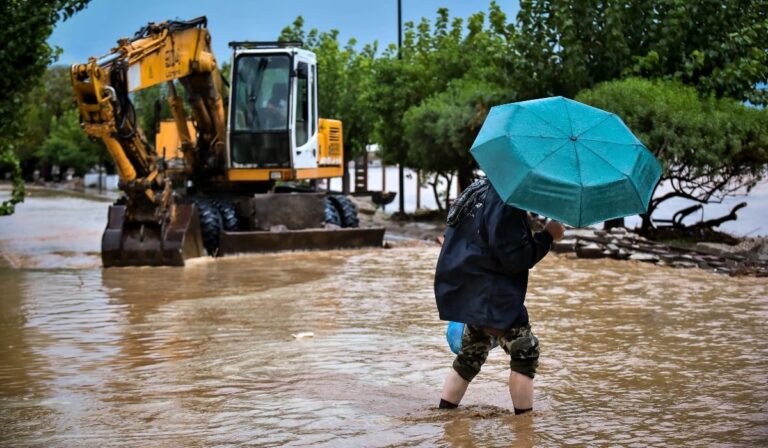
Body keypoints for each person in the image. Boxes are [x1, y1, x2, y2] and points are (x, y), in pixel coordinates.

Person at [434, 178, 565, 414]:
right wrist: (547, 236)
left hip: (472, 290)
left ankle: (445, 416)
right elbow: (515, 257)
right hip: (495, 295)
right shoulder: (507, 200)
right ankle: (524, 429)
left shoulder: (479, 189)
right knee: (525, 351)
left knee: (470, 356)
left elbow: (485, 238)